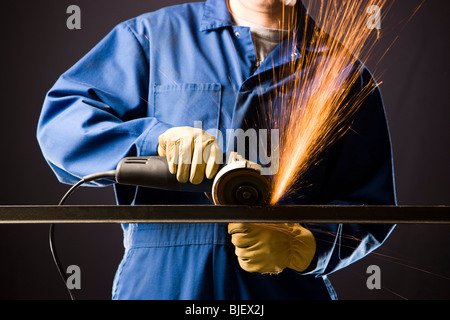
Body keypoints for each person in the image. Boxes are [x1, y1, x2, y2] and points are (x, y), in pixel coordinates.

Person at [37, 0, 396, 299]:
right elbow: (62, 125)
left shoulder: (343, 74)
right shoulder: (153, 37)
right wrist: (156, 140)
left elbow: (369, 206)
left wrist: (302, 245)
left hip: (282, 291)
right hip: (161, 286)